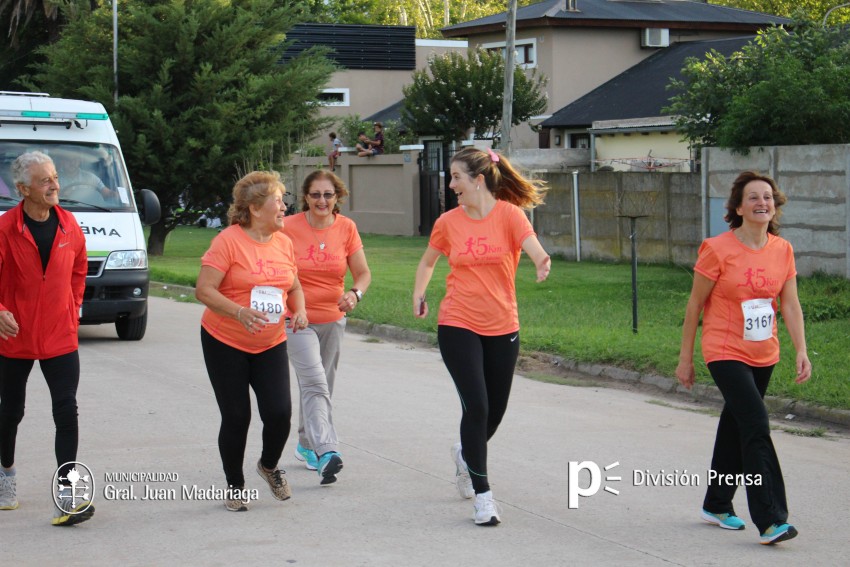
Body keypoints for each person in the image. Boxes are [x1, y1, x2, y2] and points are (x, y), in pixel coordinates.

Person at [413, 147, 551, 526]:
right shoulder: (448, 222)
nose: (451, 184)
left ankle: (465, 453)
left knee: (495, 410)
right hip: (457, 322)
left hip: (503, 324)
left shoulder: (509, 215)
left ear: (477, 180)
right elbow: (429, 260)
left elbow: (533, 247)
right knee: (476, 406)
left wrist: (542, 261)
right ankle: (483, 495)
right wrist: (419, 292)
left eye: (456, 177)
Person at [676, 171, 811, 545]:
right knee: (755, 423)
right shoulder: (717, 248)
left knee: (736, 426)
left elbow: (790, 304)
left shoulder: (782, 250)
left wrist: (801, 349)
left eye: (767, 197)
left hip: (763, 351)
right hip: (724, 349)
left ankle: (717, 503)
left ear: (775, 205)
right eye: (753, 197)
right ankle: (771, 519)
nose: (762, 203)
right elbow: (694, 305)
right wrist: (685, 358)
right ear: (738, 207)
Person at [195, 170, 308, 512]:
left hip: (270, 341)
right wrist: (239, 312)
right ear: (256, 209)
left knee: (279, 413)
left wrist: (299, 311)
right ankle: (235, 486)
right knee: (236, 416)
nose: (284, 206)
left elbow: (294, 286)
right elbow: (204, 290)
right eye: (278, 200)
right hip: (224, 340)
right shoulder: (228, 241)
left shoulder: (284, 243)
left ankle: (269, 466)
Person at [0, 151, 92, 526]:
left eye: (54, 177)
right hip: (14, 336)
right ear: (23, 189)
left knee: (66, 411)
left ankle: (67, 494)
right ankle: (6, 475)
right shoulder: (5, 228)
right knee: (10, 413)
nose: (54, 185)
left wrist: (73, 306)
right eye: (44, 180)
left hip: (59, 335)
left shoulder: (70, 225)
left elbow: (79, 269)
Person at [282, 170, 371, 485]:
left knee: (322, 386)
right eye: (316, 194)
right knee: (315, 382)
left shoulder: (346, 228)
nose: (322, 200)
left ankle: (306, 445)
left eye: (328, 195)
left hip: (333, 318)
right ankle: (326, 452)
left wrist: (354, 294)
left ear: (338, 197)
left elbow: (362, 274)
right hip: (297, 318)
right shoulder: (288, 226)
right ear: (306, 196)